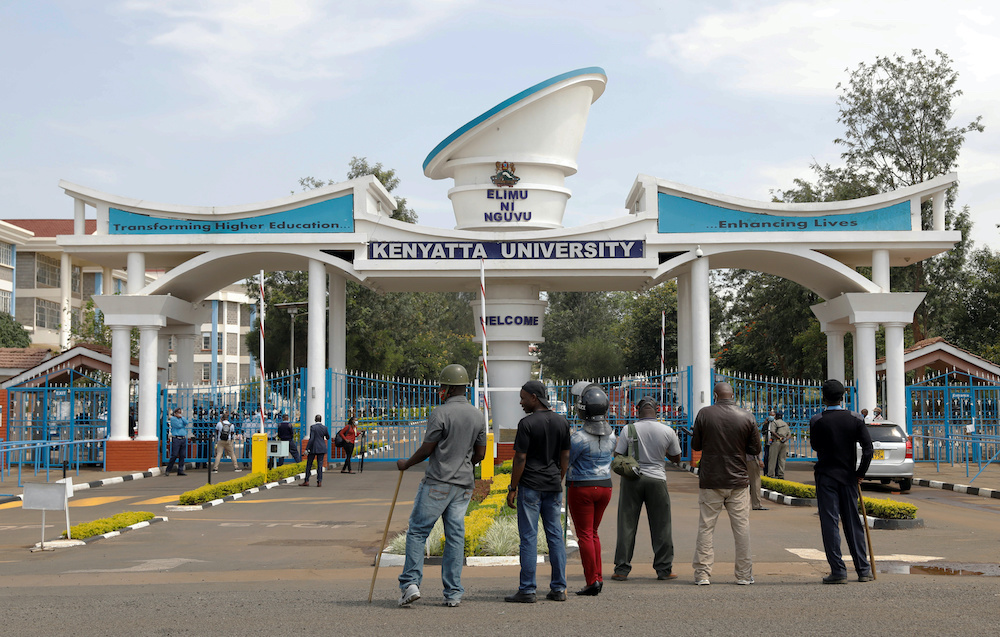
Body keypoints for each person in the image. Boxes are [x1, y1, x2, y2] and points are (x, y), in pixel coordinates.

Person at [396, 364, 487, 608]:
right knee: (455, 537)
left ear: (447, 388)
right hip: (463, 486)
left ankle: (410, 585)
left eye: (441, 387)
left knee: (417, 532)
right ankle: (454, 593)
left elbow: (428, 448)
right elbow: (481, 453)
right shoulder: (478, 415)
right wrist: (463, 463)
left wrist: (406, 463)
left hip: (438, 482)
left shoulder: (440, 413)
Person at [504, 380, 571, 604]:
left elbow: (520, 458)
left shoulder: (526, 424)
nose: (521, 402)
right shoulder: (562, 422)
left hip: (531, 486)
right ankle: (559, 588)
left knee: (529, 537)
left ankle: (528, 590)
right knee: (555, 536)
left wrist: (513, 488)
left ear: (534, 397)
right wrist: (558, 478)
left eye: (523, 398)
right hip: (552, 486)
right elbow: (565, 456)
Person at [691, 382, 761, 586]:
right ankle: (744, 575)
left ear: (715, 395)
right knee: (742, 529)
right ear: (732, 395)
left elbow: (695, 445)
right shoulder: (746, 416)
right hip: (738, 480)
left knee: (706, 528)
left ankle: (703, 574)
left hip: (711, 479)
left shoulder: (705, 414)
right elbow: (755, 449)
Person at [611, 396, 682, 582]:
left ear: (637, 410)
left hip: (632, 480)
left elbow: (618, 454)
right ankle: (664, 570)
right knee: (661, 526)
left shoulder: (628, 429)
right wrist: (662, 452)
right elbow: (676, 458)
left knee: (626, 524)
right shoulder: (667, 430)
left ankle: (621, 569)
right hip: (657, 479)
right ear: (657, 410)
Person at [810, 379, 874, 584]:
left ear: (824, 397)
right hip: (848, 477)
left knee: (830, 523)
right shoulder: (855, 419)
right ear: (843, 396)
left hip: (826, 476)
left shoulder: (817, 420)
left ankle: (838, 571)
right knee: (853, 522)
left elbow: (815, 446)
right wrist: (860, 473)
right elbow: (868, 449)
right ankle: (863, 570)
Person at [566, 382, 616, 596]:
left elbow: (567, 461)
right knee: (593, 533)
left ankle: (591, 581)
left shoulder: (578, 438)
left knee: (584, 535)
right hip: (605, 486)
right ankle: (598, 577)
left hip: (582, 488)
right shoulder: (612, 436)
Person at [301, 415, 329, 487]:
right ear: (321, 420)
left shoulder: (313, 427)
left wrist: (307, 448)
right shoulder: (324, 428)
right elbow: (328, 437)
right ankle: (319, 481)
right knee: (320, 465)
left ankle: (306, 480)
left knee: (309, 464)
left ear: (315, 420)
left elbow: (311, 439)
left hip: (313, 448)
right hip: (321, 447)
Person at [164, 408, 190, 476]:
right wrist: (182, 423)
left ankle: (180, 470)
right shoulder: (173, 419)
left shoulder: (182, 418)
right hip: (176, 439)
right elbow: (178, 426)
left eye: (180, 412)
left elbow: (187, 422)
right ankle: (168, 470)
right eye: (178, 413)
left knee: (182, 455)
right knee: (174, 455)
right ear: (175, 413)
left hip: (183, 438)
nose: (179, 414)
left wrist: (182, 418)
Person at [767, 410, 790, 479]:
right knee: (782, 459)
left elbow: (772, 431)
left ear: (776, 417)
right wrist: (785, 439)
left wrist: (779, 438)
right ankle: (781, 475)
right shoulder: (785, 424)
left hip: (776, 442)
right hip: (784, 443)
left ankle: (770, 474)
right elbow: (789, 434)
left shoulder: (775, 423)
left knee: (772, 459)